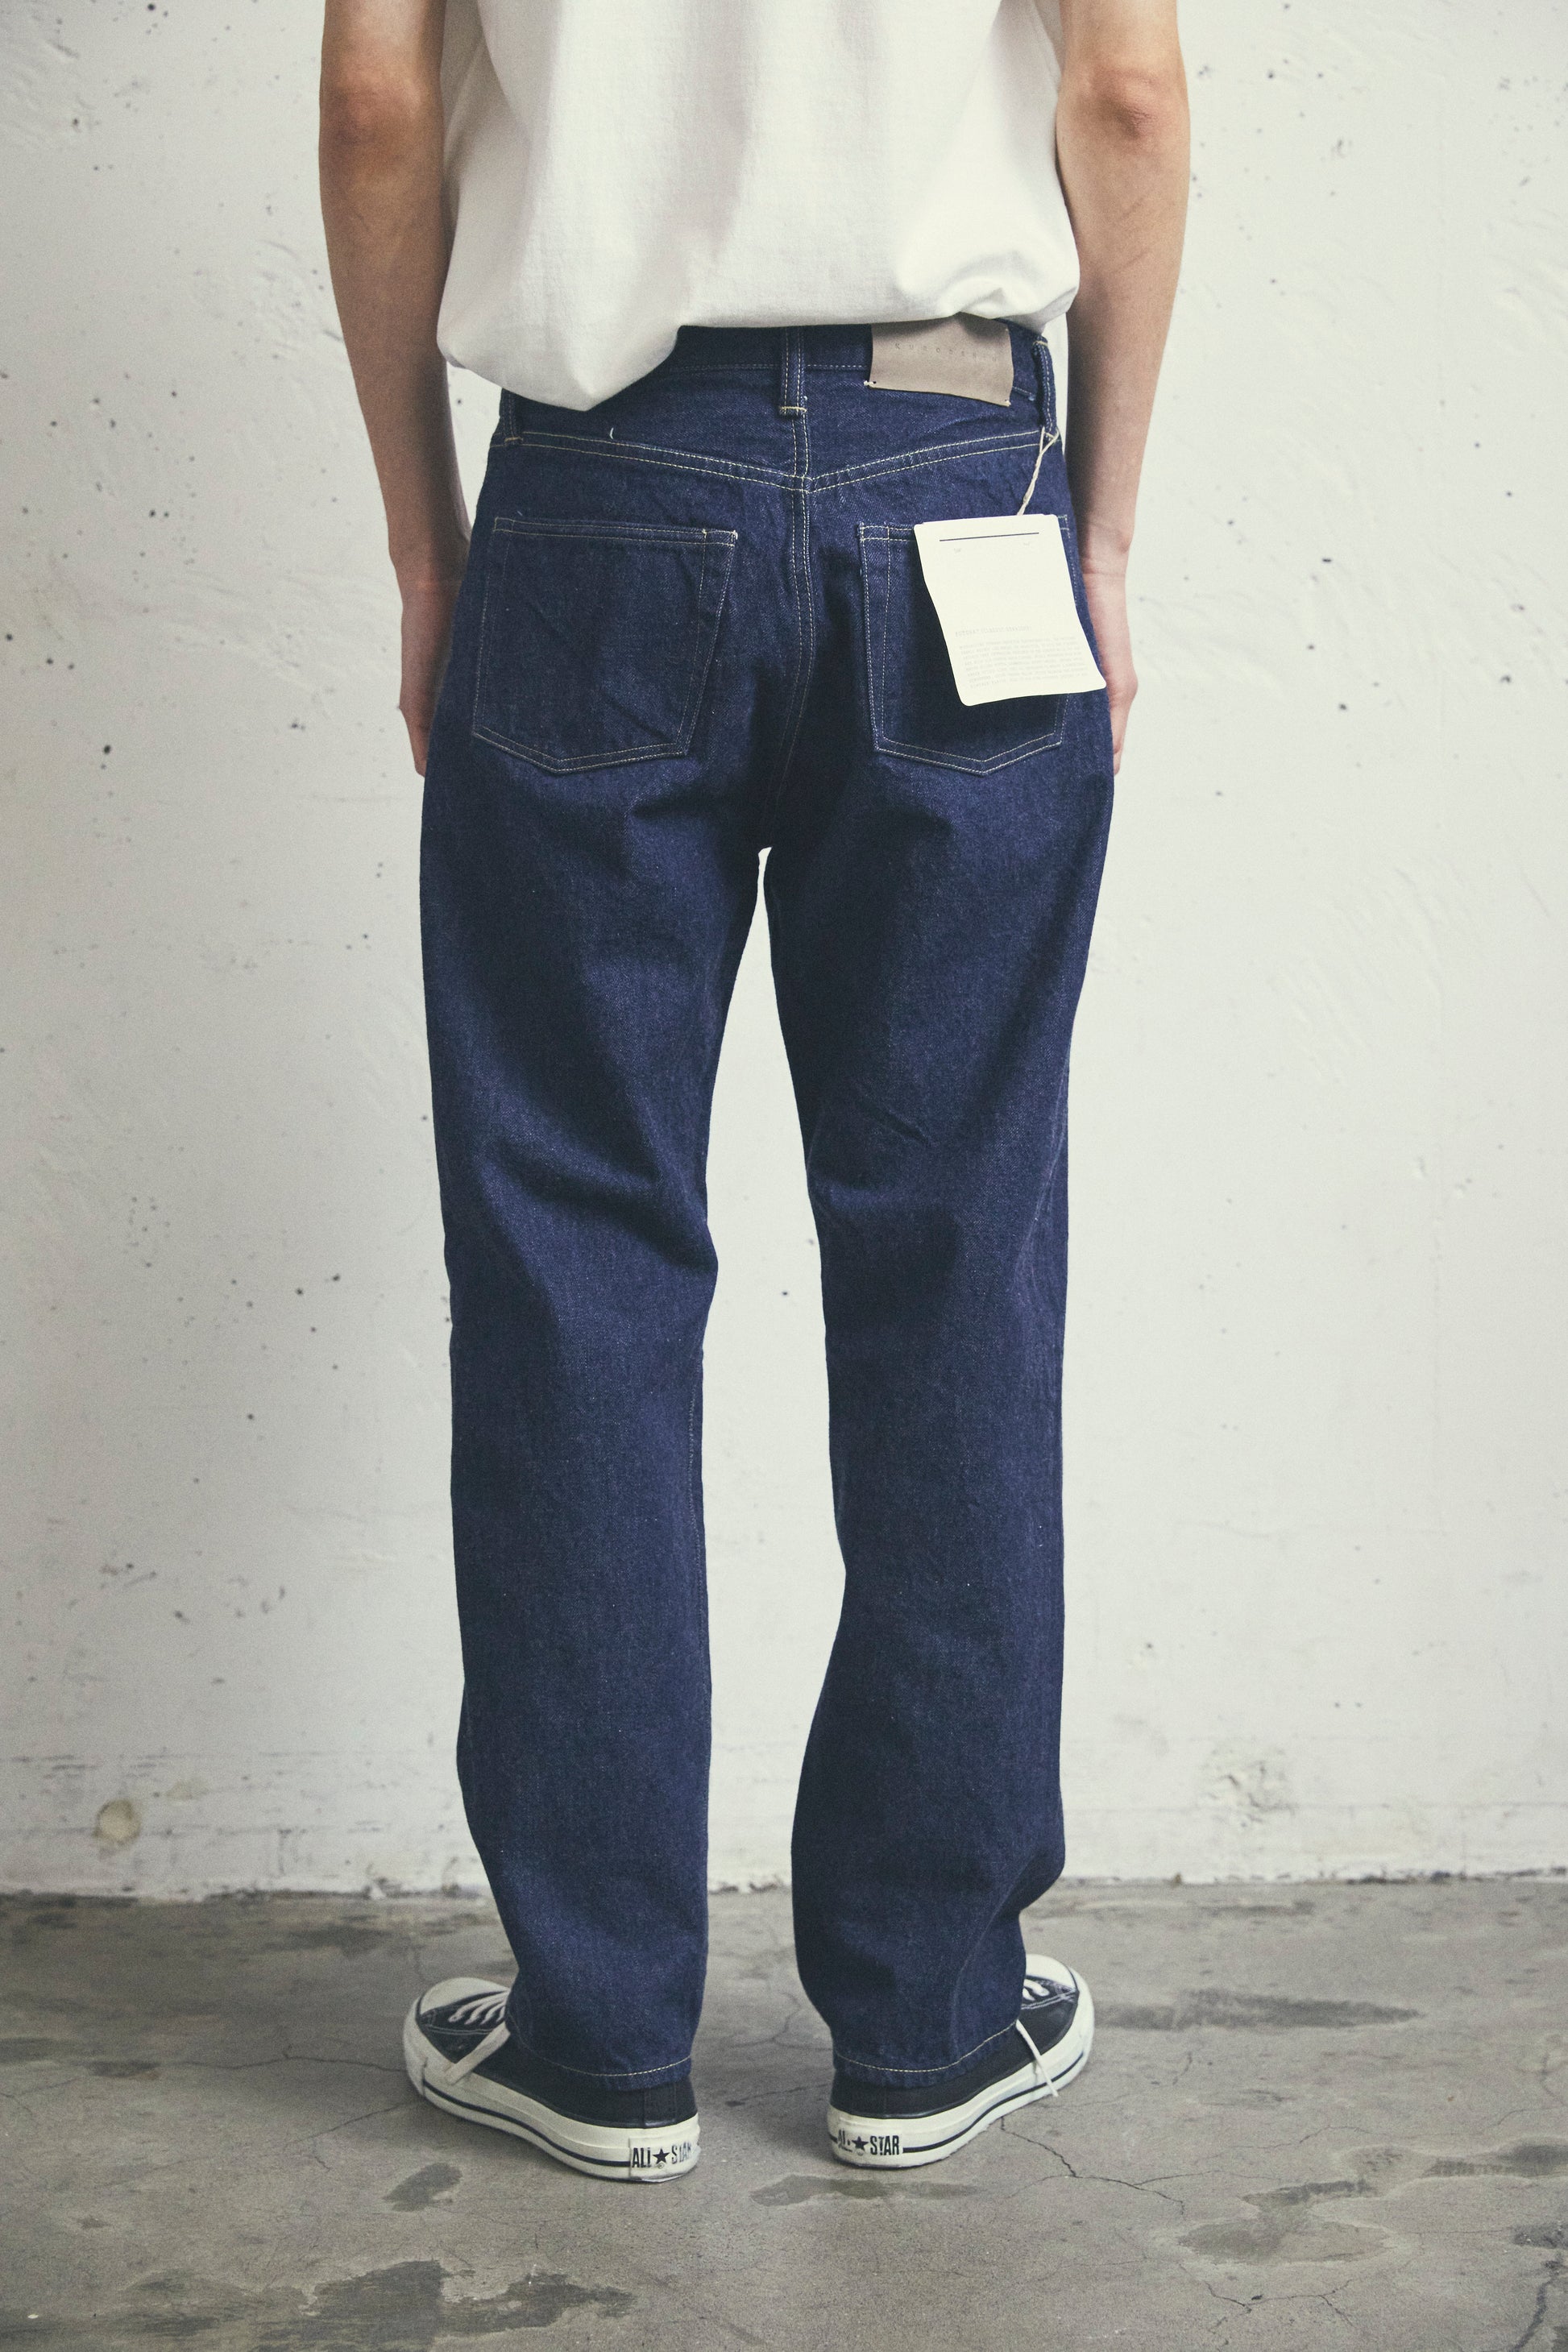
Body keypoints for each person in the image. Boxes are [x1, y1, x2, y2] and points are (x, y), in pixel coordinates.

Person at [319, 0, 1188, 2182]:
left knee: (573, 1259)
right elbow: (1123, 91)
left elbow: (374, 100)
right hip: (961, 462)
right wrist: (1096, 533)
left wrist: (429, 549)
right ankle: (929, 2016)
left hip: (596, 494)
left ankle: (599, 2034)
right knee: (956, 1250)